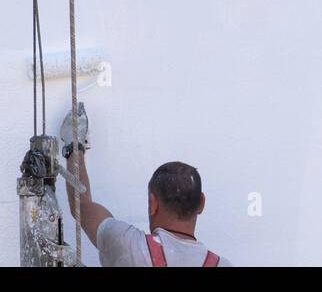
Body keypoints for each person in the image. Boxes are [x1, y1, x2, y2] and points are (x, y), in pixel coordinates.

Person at [58, 103, 230, 267]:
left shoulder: (127, 245)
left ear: (153, 203)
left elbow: (81, 205)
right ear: (202, 203)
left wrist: (74, 146)